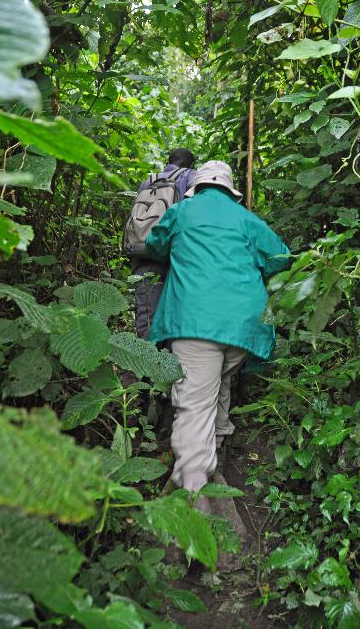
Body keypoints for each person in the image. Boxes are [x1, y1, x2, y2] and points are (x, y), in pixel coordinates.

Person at [145, 160, 290, 498]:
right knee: (218, 381)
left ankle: (196, 497)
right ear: (229, 189)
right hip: (243, 328)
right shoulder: (246, 219)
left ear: (197, 186)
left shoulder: (183, 211)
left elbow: (154, 244)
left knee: (194, 403)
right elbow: (282, 258)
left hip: (197, 324)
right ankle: (218, 452)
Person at [131, 148, 196, 339]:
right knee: (176, 307)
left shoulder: (149, 180)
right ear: (191, 164)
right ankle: (171, 358)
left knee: (147, 308)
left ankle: (146, 358)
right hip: (174, 252)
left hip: (143, 250)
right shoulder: (190, 176)